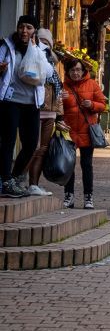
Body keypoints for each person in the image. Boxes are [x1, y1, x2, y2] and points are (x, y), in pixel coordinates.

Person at [0, 14, 53, 197]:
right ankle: (5, 181)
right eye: (22, 27)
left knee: (31, 144)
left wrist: (37, 52)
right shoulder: (7, 46)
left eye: (29, 27)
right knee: (7, 141)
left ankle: (14, 177)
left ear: (34, 31)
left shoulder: (41, 49)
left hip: (32, 103)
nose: (24, 31)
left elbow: (48, 72)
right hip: (10, 101)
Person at [61, 56, 107, 209]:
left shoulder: (92, 84)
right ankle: (69, 196)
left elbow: (102, 105)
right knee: (69, 164)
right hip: (69, 131)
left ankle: (88, 197)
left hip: (87, 130)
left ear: (83, 71)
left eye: (78, 70)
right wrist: (59, 100)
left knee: (87, 165)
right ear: (68, 71)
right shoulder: (63, 87)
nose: (76, 73)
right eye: (73, 70)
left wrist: (92, 104)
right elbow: (55, 108)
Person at [25, 37, 64, 198]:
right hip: (36, 110)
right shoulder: (32, 61)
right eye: (41, 41)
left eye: (47, 43)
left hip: (51, 112)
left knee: (42, 150)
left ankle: (33, 184)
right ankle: (17, 180)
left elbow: (59, 94)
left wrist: (60, 117)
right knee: (31, 148)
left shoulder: (53, 68)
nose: (44, 46)